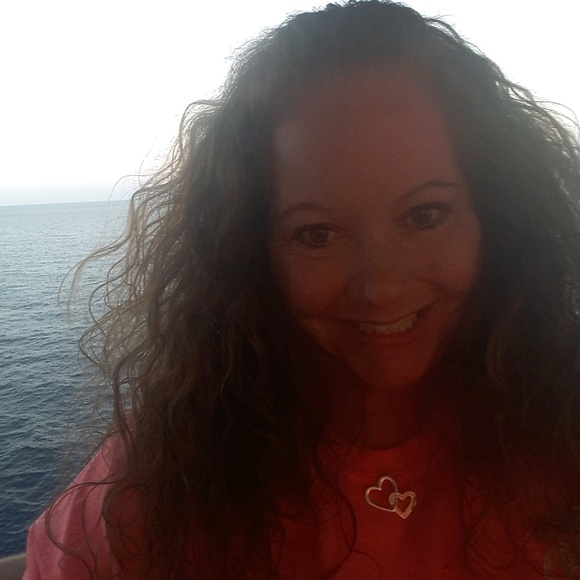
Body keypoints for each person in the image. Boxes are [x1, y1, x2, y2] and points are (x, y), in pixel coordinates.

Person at [23, 1, 580, 578]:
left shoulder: (562, 442)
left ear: (499, 215)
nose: (381, 287)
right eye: (317, 234)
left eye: (425, 216)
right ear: (252, 250)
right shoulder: (152, 486)